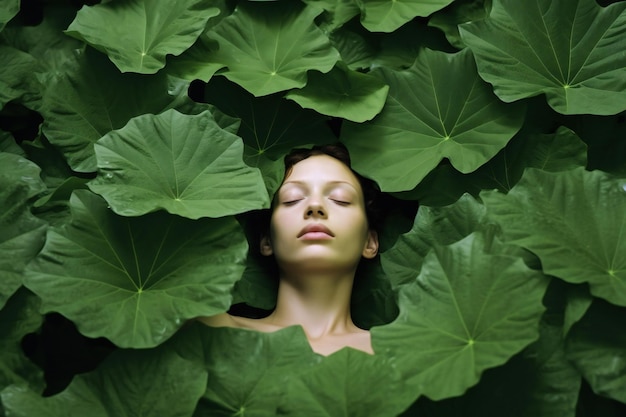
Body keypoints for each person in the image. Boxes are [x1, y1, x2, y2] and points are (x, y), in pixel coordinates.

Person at [199, 144, 380, 356]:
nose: (315, 206)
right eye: (292, 199)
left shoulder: (401, 353)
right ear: (266, 240)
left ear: (370, 242)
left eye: (340, 198)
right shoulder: (211, 330)